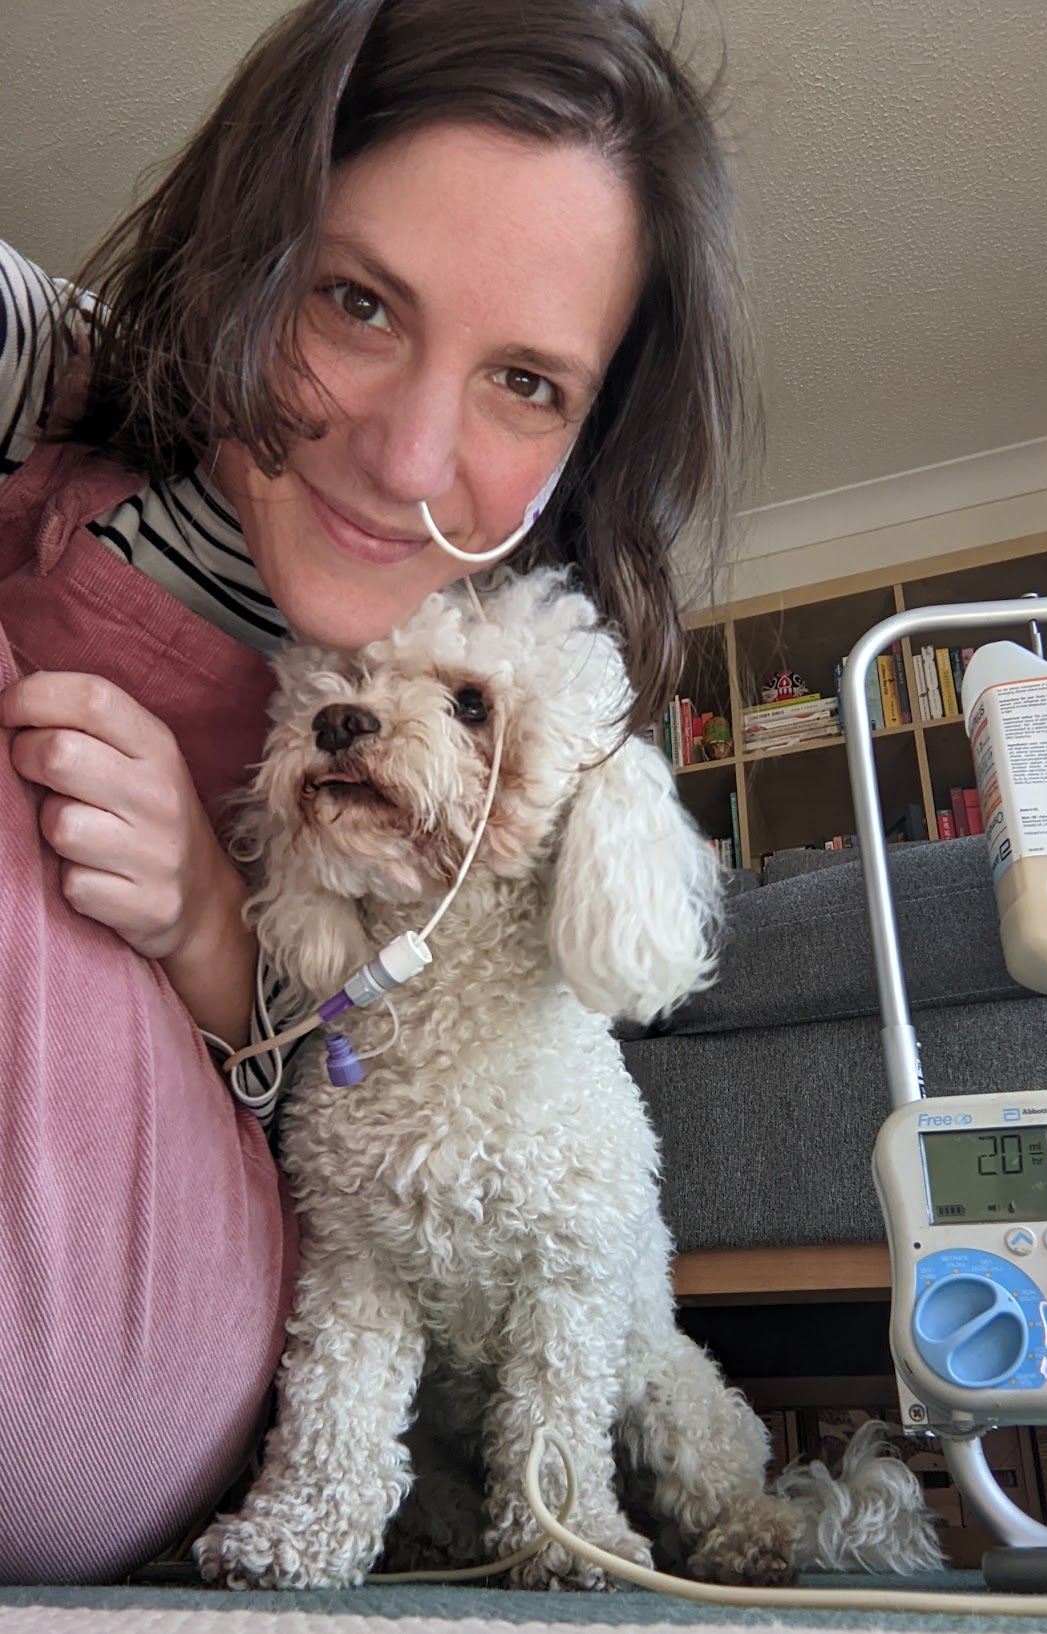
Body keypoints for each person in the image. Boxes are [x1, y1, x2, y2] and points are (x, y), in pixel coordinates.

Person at [0, 0, 754, 1584]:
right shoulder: (68, 387)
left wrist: (217, 935)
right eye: (355, 299)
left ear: (586, 435)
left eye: (527, 383)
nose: (409, 453)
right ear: (247, 264)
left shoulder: (546, 690)